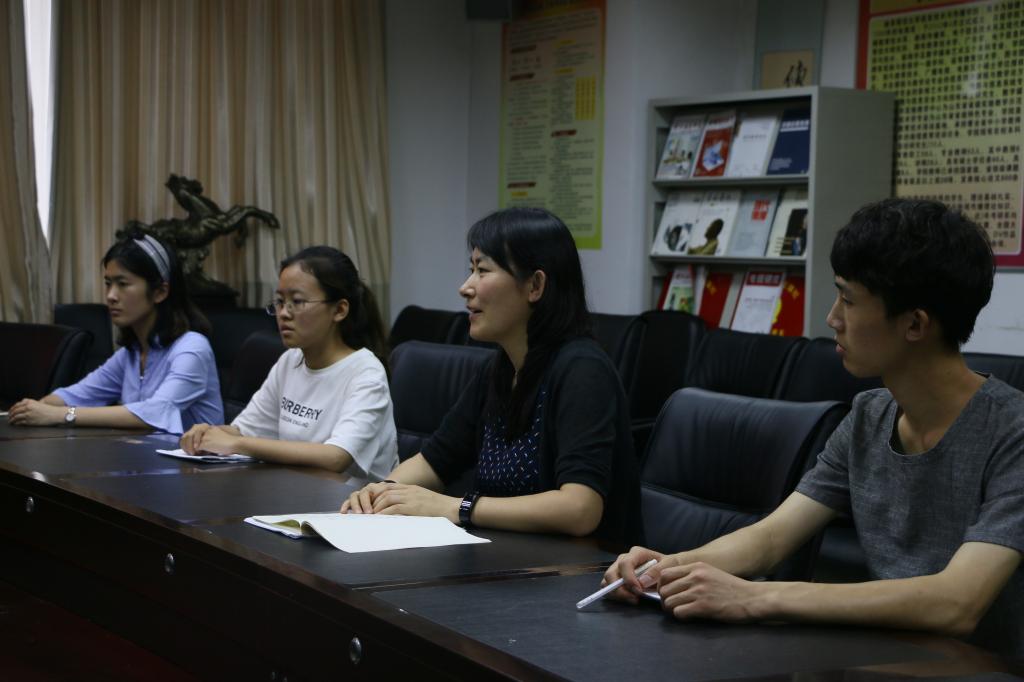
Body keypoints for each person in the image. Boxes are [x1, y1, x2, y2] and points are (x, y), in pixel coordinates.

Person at [604, 198, 1024, 658]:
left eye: (848, 299)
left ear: (914, 324)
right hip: (887, 659)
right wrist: (665, 569)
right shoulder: (868, 415)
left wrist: (754, 598)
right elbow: (771, 538)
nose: (832, 319)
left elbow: (956, 603)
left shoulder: (1013, 433)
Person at [341, 207, 643, 545]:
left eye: (482, 271)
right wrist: (382, 493)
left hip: (580, 569)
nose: (465, 287)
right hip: (504, 557)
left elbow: (579, 509)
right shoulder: (498, 369)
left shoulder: (583, 370)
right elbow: (435, 460)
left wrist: (457, 507)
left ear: (535, 285)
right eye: (470, 270)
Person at [179, 246, 398, 482]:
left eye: (297, 301)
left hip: (354, 500)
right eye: (280, 302)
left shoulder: (366, 372)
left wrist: (237, 444)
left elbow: (336, 457)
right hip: (296, 491)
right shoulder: (290, 360)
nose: (283, 313)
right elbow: (245, 430)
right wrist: (207, 433)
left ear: (339, 310)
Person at [7, 231, 222, 434]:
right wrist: (35, 409)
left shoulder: (192, 348)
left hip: (194, 462)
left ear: (160, 292)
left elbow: (154, 413)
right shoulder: (131, 354)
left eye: (123, 284)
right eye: (108, 284)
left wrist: (59, 414)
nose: (111, 296)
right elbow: (75, 395)